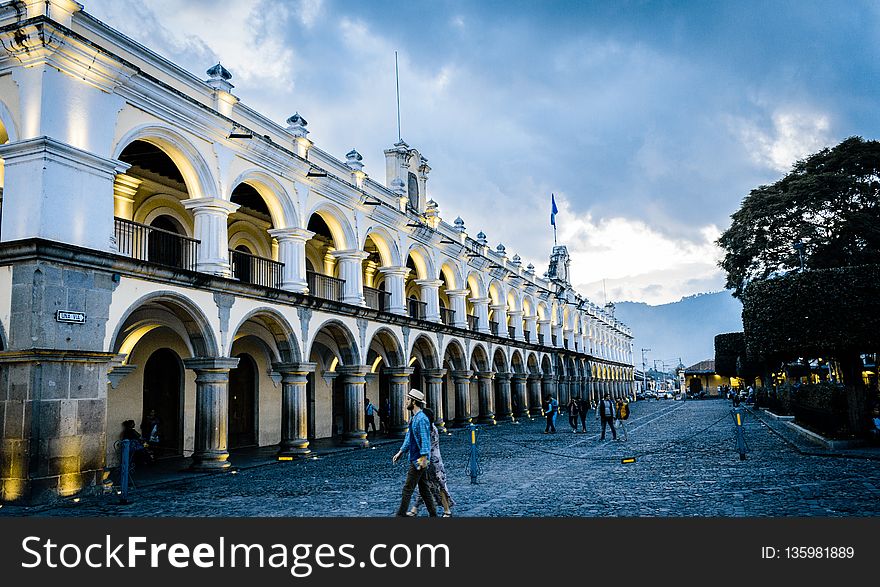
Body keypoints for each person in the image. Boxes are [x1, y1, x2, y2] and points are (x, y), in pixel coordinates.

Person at [392, 389, 437, 517]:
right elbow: (409, 437)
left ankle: (400, 514)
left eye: (408, 399)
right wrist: (400, 452)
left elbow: (425, 440)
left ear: (413, 401)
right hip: (415, 457)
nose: (406, 401)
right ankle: (433, 514)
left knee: (408, 488)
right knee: (424, 489)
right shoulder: (414, 418)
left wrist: (424, 458)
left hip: (419, 458)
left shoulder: (421, 419)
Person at [408, 408, 455, 517]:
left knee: (439, 485)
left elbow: (426, 448)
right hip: (431, 461)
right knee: (424, 485)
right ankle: (415, 509)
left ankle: (447, 510)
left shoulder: (429, 429)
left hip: (433, 463)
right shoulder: (430, 427)